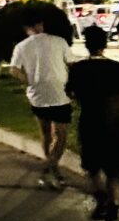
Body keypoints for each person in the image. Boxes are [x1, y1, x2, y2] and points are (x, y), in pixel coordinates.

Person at [67, 24, 119, 221]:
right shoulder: (117, 69)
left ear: (87, 45)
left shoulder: (79, 69)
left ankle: (100, 197)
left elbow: (71, 93)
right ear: (105, 45)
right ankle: (113, 208)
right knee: (115, 169)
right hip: (115, 125)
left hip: (90, 121)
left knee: (92, 166)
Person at [9, 10, 75, 189]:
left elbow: (14, 70)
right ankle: (51, 168)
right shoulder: (60, 41)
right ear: (41, 25)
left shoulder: (22, 46)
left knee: (45, 133)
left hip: (37, 96)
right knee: (60, 134)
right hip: (60, 93)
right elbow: (71, 64)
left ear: (26, 28)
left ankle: (50, 167)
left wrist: (29, 81)